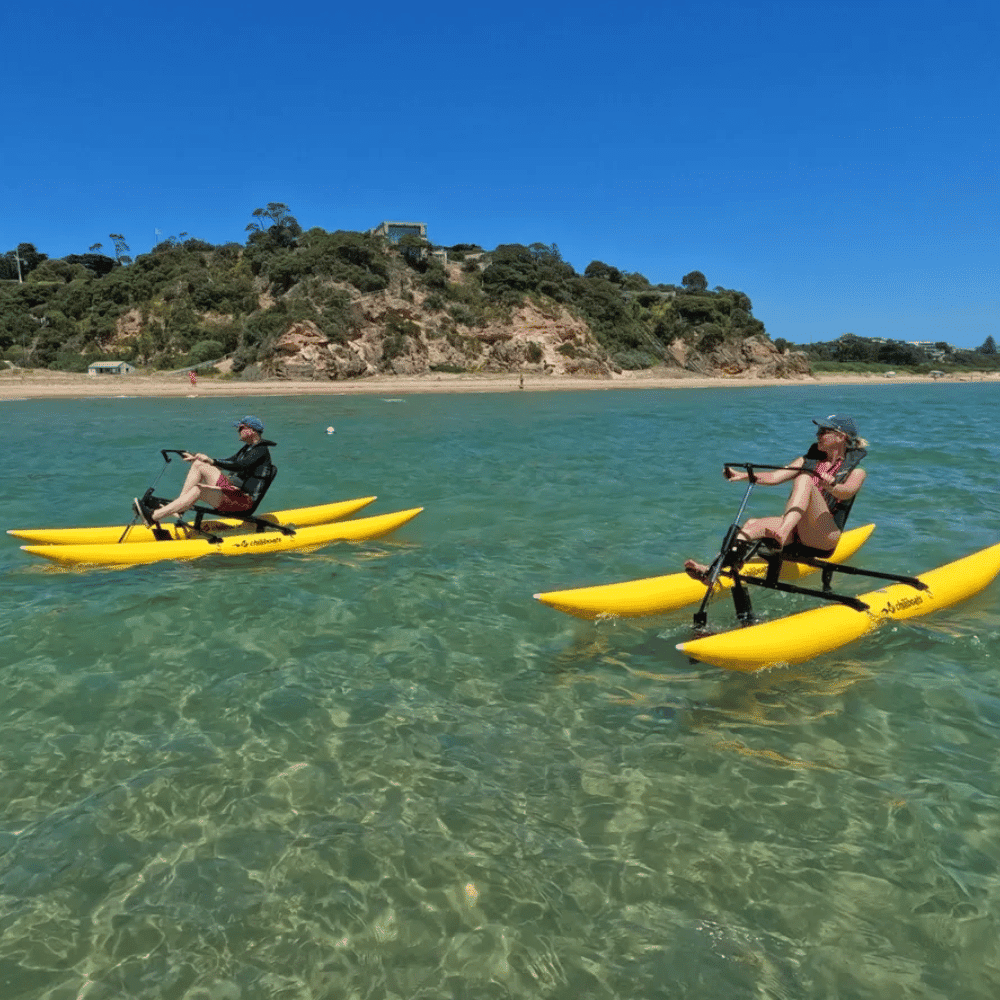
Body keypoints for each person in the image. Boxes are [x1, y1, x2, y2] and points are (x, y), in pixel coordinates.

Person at [684, 415, 868, 580]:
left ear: (841, 437)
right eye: (818, 431)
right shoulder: (808, 461)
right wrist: (742, 475)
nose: (818, 435)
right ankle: (713, 571)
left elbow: (847, 491)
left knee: (804, 479)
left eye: (824, 431)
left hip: (823, 536)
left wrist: (832, 485)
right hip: (796, 532)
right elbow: (774, 477)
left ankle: (782, 532)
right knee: (751, 526)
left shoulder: (857, 471)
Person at [133, 416, 276, 525]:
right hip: (233, 492)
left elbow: (240, 466)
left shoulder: (261, 450)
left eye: (240, 428)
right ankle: (180, 509)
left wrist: (212, 461)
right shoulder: (248, 448)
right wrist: (198, 459)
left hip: (243, 503)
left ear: (250, 430)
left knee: (198, 490)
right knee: (198, 465)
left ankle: (153, 517)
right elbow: (229, 461)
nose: (238, 431)